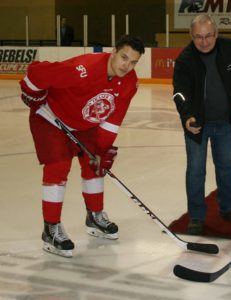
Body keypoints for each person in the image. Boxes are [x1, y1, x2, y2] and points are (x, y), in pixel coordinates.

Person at [20, 35, 145, 258]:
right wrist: (31, 92)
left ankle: (94, 217)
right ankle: (51, 228)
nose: (127, 66)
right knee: (58, 167)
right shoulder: (83, 69)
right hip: (51, 117)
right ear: (113, 51)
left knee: (94, 165)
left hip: (84, 123)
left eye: (133, 62)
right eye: (124, 57)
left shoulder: (129, 82)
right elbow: (37, 71)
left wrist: (102, 150)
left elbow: (113, 119)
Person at [172, 14, 231, 235]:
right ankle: (196, 215)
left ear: (216, 33)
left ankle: (228, 207)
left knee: (225, 167)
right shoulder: (185, 59)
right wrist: (187, 116)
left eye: (208, 36)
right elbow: (179, 93)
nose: (204, 42)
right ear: (191, 36)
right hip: (198, 126)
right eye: (198, 37)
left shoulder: (229, 48)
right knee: (196, 171)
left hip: (224, 122)